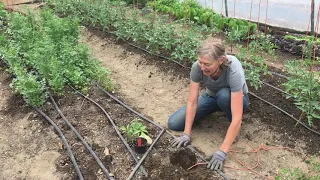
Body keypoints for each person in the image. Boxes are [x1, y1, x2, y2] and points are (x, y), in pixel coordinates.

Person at [168, 38, 249, 171]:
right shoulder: (197, 67)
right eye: (200, 62)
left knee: (223, 95)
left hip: (235, 99)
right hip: (211, 96)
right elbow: (192, 102)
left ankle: (233, 130)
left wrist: (222, 151)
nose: (202, 67)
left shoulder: (234, 70)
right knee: (174, 123)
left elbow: (237, 116)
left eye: (207, 64)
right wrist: (186, 133)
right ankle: (215, 108)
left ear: (221, 60)